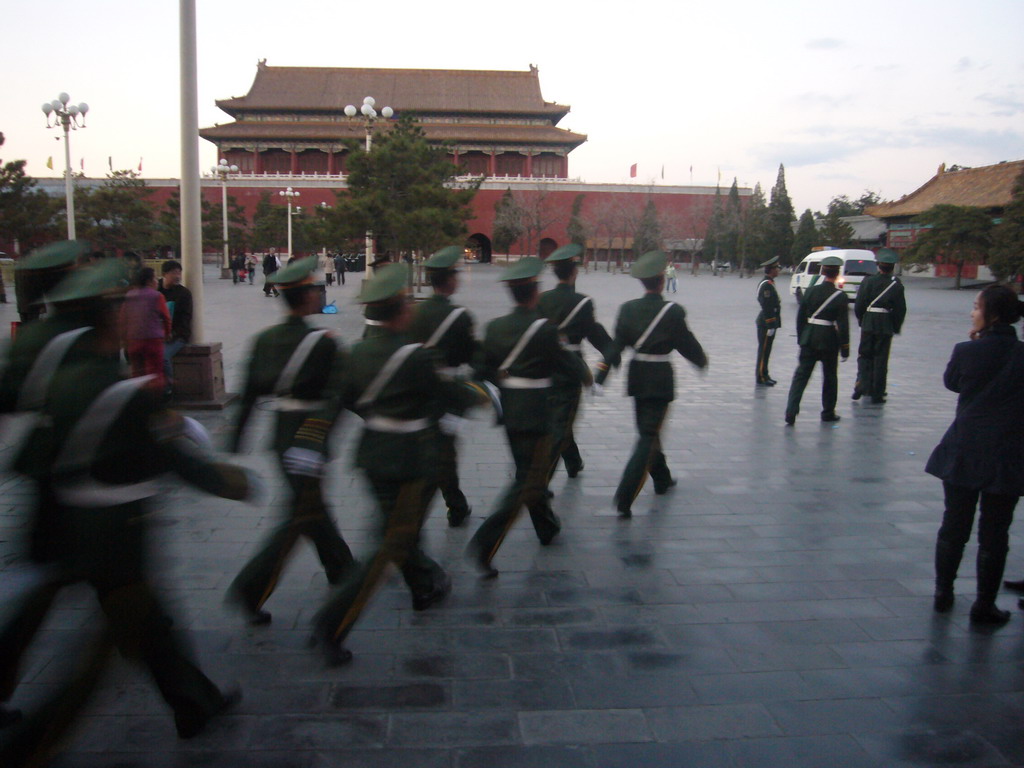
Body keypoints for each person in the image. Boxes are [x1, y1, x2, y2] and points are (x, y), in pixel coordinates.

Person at [0, 263, 255, 765]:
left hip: (59, 515)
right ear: (108, 319)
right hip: (113, 532)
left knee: (139, 623)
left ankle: (194, 703)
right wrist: (230, 481)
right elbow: (169, 458)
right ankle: (32, 745)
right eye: (118, 309)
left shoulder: (56, 371)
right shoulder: (119, 393)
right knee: (111, 643)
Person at [311, 263, 488, 665]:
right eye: (408, 301)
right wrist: (482, 392)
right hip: (411, 459)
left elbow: (340, 402)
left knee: (398, 528)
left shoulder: (353, 353)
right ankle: (333, 622)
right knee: (390, 542)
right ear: (400, 310)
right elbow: (451, 393)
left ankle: (425, 583)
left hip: (372, 455)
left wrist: (313, 443)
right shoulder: (414, 357)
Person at [225, 256, 356, 626]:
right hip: (309, 434)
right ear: (307, 297)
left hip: (281, 434)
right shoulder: (323, 342)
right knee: (301, 515)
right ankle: (252, 587)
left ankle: (341, 566)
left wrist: (236, 440)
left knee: (310, 506)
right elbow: (340, 394)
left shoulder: (264, 339)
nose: (319, 295)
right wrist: (315, 439)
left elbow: (249, 393)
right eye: (315, 290)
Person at [466, 257, 591, 575]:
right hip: (538, 412)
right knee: (528, 480)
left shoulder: (495, 328)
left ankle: (547, 526)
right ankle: (486, 541)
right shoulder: (544, 330)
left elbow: (481, 371)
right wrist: (587, 376)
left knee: (528, 470)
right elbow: (567, 364)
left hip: (510, 410)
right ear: (535, 291)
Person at [926, 284, 1024, 625]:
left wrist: (977, 345)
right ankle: (984, 604)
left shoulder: (966, 350)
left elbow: (953, 383)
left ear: (990, 314)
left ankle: (943, 593)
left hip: (963, 449)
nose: (972, 312)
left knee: (954, 525)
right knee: (995, 533)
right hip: (1008, 455)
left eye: (976, 306)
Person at [595, 251, 707, 517]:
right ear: (661, 281)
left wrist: (600, 376)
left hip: (637, 376)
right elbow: (686, 343)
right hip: (659, 377)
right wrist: (700, 360)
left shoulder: (628, 309)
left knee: (648, 430)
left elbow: (616, 346)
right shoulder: (672, 311)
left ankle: (662, 478)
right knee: (648, 435)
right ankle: (625, 495)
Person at [408, 245, 479, 527]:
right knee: (444, 453)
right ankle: (449, 505)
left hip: (415, 391)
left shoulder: (413, 312)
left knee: (436, 451)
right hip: (445, 395)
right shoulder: (459, 317)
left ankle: (456, 503)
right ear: (449, 279)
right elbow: (469, 356)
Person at [537, 243, 613, 482]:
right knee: (560, 423)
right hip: (570, 370)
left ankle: (573, 461)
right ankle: (539, 483)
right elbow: (600, 340)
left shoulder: (541, 300)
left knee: (557, 418)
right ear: (574, 272)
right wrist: (601, 375)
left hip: (543, 368)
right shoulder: (582, 303)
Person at [784, 255, 849, 425]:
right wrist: (845, 347)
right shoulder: (840, 296)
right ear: (837, 274)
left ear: (822, 271)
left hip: (810, 338)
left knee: (801, 376)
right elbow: (843, 324)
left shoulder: (811, 291)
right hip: (829, 339)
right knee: (829, 377)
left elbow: (800, 318)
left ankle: (791, 411)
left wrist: (801, 338)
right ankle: (828, 411)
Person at [853, 249, 906, 404]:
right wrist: (895, 326)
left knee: (864, 356)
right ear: (892, 267)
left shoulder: (868, 281)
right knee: (881, 359)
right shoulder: (896, 285)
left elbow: (859, 304)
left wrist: (862, 320)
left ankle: (861, 385)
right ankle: (877, 392)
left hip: (869, 321)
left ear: (878, 265)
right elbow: (900, 309)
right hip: (885, 323)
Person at [120, 267, 171, 392]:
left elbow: (122, 319)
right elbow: (166, 318)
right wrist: (167, 333)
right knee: (154, 374)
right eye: (155, 278)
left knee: (137, 374)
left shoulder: (129, 295)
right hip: (153, 340)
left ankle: (138, 400)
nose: (157, 281)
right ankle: (155, 402)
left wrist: (124, 340)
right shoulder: (157, 296)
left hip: (133, 341)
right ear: (149, 281)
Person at [158, 260, 194, 398]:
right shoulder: (156, 292)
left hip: (177, 335)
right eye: (174, 272)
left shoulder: (183, 293)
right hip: (156, 334)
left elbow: (186, 318)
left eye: (179, 272)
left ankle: (168, 389)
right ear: (164, 274)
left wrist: (173, 333)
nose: (177, 276)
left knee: (163, 356)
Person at [755, 256, 782, 386]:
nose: (778, 270)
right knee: (764, 350)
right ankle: (761, 376)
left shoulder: (770, 283)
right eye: (777, 268)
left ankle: (765, 373)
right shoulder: (766, 285)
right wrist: (771, 323)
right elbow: (766, 305)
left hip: (768, 322)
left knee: (767, 351)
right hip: (766, 323)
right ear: (771, 270)